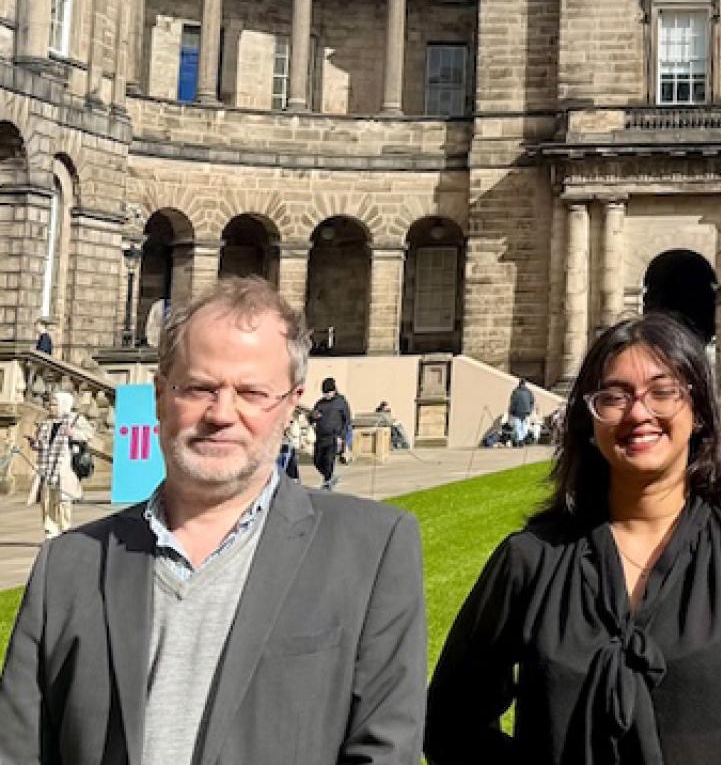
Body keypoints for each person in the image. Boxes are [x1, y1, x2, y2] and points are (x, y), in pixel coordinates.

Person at [0, 277, 426, 765]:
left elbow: (385, 748)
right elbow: (18, 750)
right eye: (200, 388)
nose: (222, 413)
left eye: (251, 392)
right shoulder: (69, 565)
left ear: (290, 403)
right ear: (161, 395)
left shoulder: (371, 549)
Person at [425, 310, 721, 764]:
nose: (639, 413)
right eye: (614, 397)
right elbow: (450, 722)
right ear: (591, 420)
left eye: (663, 391)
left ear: (698, 413)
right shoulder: (530, 560)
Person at [28, 390, 93, 540]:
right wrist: (34, 443)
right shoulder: (46, 422)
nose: (51, 407)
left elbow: (89, 435)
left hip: (65, 466)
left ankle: (65, 530)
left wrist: (74, 434)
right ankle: (50, 531)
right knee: (47, 500)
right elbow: (42, 443)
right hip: (46, 467)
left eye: (54, 404)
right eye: (51, 404)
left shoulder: (74, 419)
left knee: (64, 500)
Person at [311, 376, 352, 490]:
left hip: (334, 437)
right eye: (324, 393)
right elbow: (312, 417)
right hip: (320, 437)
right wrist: (313, 416)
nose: (327, 395)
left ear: (334, 391)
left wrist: (342, 437)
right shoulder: (320, 403)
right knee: (317, 461)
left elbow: (347, 420)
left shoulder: (341, 402)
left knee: (329, 461)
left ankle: (327, 483)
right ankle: (330, 478)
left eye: (328, 392)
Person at [508, 377, 536, 446]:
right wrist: (530, 409)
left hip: (517, 412)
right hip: (526, 412)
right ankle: (521, 439)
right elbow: (532, 401)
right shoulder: (529, 392)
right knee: (524, 427)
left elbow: (513, 402)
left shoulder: (515, 391)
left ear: (519, 383)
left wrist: (511, 411)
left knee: (518, 427)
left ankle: (520, 440)